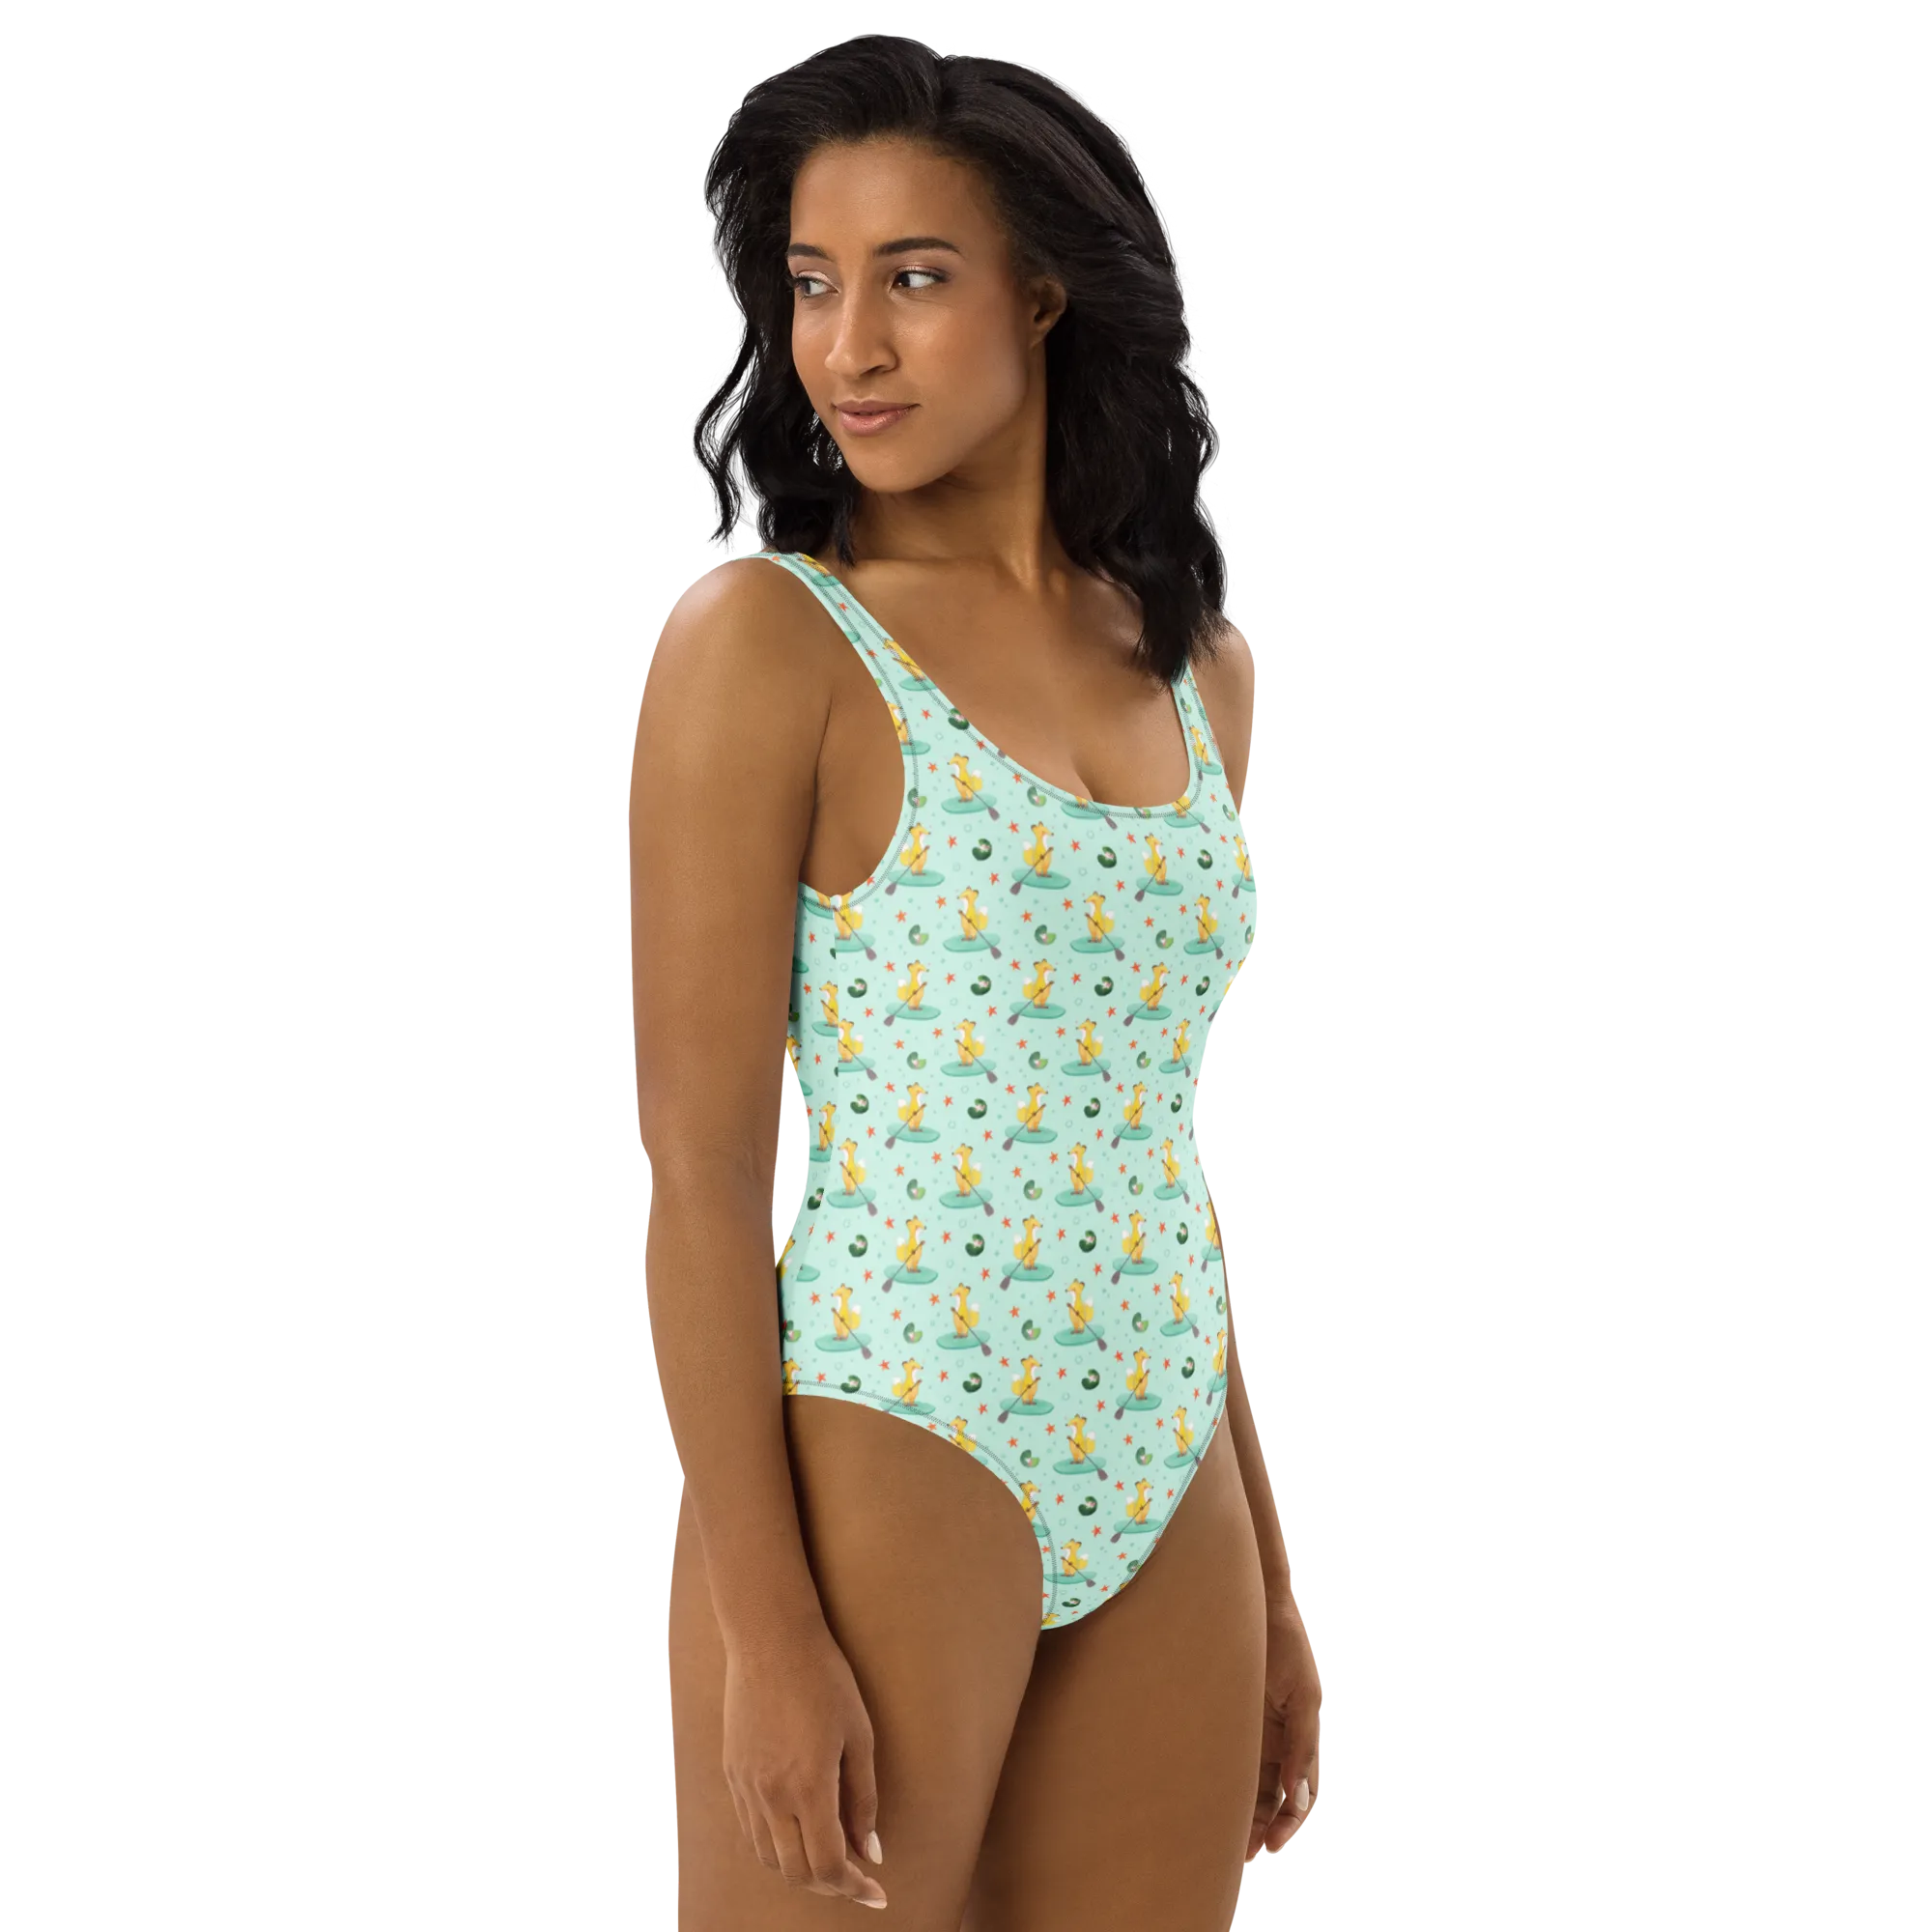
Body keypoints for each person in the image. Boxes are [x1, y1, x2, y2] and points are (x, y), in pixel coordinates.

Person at [633, 33, 1317, 1927]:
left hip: (1167, 1456)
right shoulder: (770, 641)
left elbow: (1153, 1137)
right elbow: (703, 1168)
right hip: (898, 1429)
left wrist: (1268, 1573)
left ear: (1044, 294)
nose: (847, 346)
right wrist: (764, 1630)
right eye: (811, 282)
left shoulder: (1206, 672)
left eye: (912, 278)